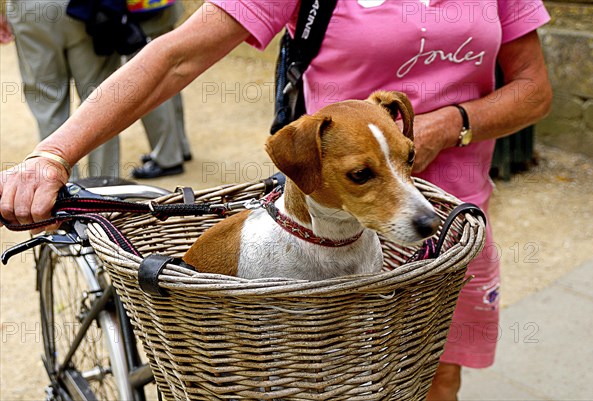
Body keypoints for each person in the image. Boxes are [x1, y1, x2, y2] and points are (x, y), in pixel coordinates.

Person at [0, 1, 552, 398]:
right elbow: (175, 58)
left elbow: (535, 88)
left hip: (456, 221)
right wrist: (52, 154)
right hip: (326, 216)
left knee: (434, 377)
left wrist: (448, 125)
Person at [1, 0, 122, 178]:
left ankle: (62, 188)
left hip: (31, 10)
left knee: (48, 104)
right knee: (98, 97)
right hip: (81, 8)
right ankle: (104, 185)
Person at [128, 2, 192, 179]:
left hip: (141, 13)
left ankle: (167, 157)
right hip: (163, 7)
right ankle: (178, 146)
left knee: (148, 79)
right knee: (168, 70)